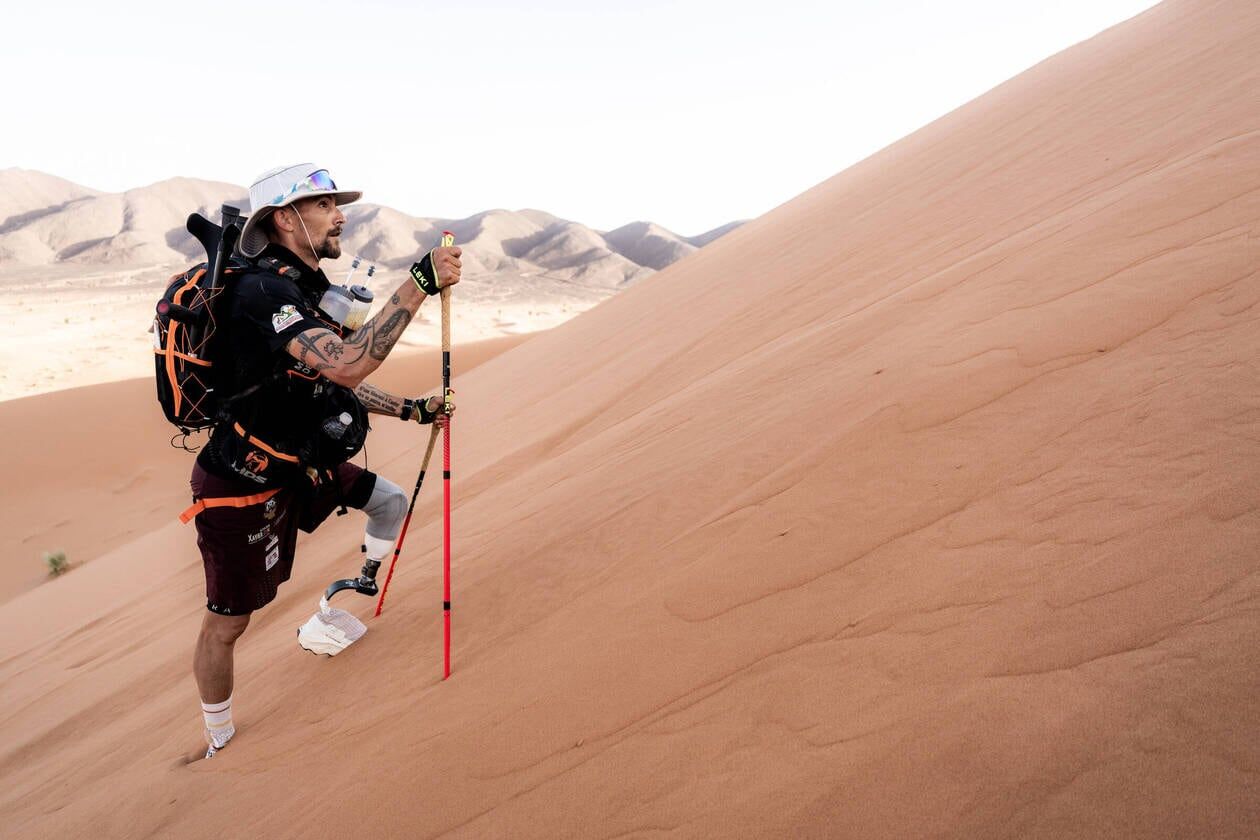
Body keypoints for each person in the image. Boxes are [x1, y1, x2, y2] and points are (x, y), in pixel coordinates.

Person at [185, 163, 461, 758]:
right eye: (325, 205)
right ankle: (217, 739)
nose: (340, 216)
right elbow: (347, 364)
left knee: (390, 500)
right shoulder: (264, 293)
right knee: (228, 624)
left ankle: (363, 584)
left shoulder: (306, 286)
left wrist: (411, 410)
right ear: (286, 219)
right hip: (242, 483)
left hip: (301, 464)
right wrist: (419, 282)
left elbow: (324, 379)